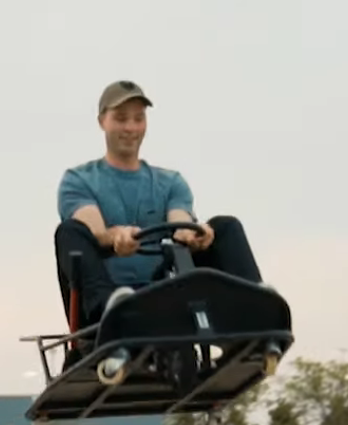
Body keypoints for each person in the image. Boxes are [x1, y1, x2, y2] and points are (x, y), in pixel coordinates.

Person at [55, 79, 270, 328]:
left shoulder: (170, 182)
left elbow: (179, 221)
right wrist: (116, 237)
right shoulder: (79, 179)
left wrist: (193, 233)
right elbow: (94, 231)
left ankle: (256, 307)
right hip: (106, 298)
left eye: (138, 119)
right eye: (121, 119)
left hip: (164, 290)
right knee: (69, 232)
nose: (130, 127)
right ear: (102, 121)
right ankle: (110, 308)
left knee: (225, 226)